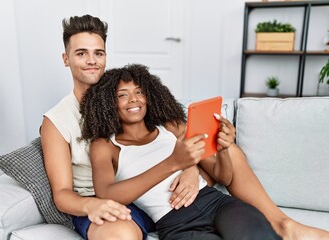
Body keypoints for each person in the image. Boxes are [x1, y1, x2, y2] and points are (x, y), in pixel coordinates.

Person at [41, 13, 329, 240]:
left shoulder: (141, 108)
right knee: (122, 231)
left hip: (189, 193)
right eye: (81, 53)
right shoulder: (60, 122)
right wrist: (92, 205)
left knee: (227, 150)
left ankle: (281, 223)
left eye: (98, 53)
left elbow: (184, 140)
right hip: (117, 200)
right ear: (66, 59)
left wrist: (189, 167)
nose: (91, 60)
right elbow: (66, 193)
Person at [79, 64, 281, 239]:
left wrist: (223, 149)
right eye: (122, 95)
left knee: (259, 235)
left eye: (139, 92)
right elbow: (106, 193)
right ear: (107, 104)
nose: (134, 99)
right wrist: (174, 164)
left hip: (215, 203)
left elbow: (224, 176)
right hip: (176, 223)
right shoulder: (105, 145)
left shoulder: (170, 127)